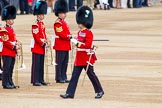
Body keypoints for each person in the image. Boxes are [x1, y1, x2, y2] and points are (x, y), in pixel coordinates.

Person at [60, 6, 104, 99]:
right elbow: (79, 42)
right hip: (79, 57)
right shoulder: (80, 32)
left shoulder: (89, 33)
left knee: (92, 75)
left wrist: (78, 44)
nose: (79, 24)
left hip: (86, 58)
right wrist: (75, 43)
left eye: (81, 22)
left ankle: (99, 91)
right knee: (74, 76)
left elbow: (87, 45)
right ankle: (70, 93)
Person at [1, 5, 21, 89]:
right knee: (6, 68)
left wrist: (17, 44)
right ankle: (5, 83)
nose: (12, 21)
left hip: (12, 52)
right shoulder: (4, 30)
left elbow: (14, 39)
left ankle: (10, 81)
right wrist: (14, 46)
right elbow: (6, 41)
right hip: (7, 52)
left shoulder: (11, 29)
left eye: (12, 19)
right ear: (6, 20)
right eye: (10, 19)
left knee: (11, 68)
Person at [31, 1, 49, 86]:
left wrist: (46, 41)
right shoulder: (35, 25)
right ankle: (35, 80)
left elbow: (43, 35)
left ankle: (41, 79)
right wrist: (43, 43)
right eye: (41, 14)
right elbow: (36, 37)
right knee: (36, 65)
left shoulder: (42, 24)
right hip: (37, 47)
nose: (43, 16)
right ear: (38, 15)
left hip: (42, 47)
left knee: (41, 64)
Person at [53, 0, 71, 83]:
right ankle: (59, 77)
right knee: (59, 63)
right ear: (59, 13)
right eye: (63, 13)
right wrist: (69, 36)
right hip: (60, 45)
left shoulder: (64, 22)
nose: (65, 14)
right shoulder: (58, 23)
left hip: (66, 45)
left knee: (65, 63)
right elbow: (60, 34)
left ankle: (64, 76)